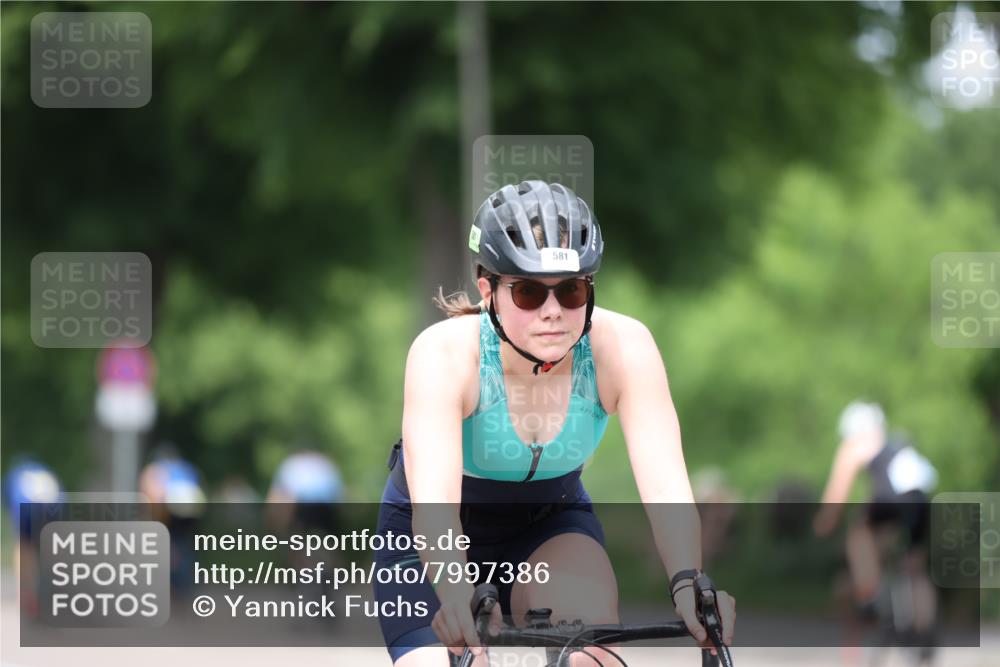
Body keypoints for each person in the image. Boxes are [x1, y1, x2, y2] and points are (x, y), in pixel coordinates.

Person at [374, 180, 736, 666]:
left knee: (590, 659)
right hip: (433, 539)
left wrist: (689, 581)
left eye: (571, 291)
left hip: (548, 525)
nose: (553, 313)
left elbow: (667, 482)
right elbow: (435, 508)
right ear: (488, 291)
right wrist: (455, 592)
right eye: (527, 293)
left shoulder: (623, 347)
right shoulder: (444, 353)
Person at [813, 401, 938, 639]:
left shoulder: (856, 445)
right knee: (915, 566)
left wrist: (825, 522)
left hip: (892, 501)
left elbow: (838, 491)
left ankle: (870, 593)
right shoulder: (895, 445)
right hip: (920, 500)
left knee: (858, 531)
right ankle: (924, 636)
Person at [2, 458, 63, 617]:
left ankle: (26, 592)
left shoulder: (15, 479)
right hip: (53, 507)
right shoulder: (45, 475)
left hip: (28, 506)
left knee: (23, 548)